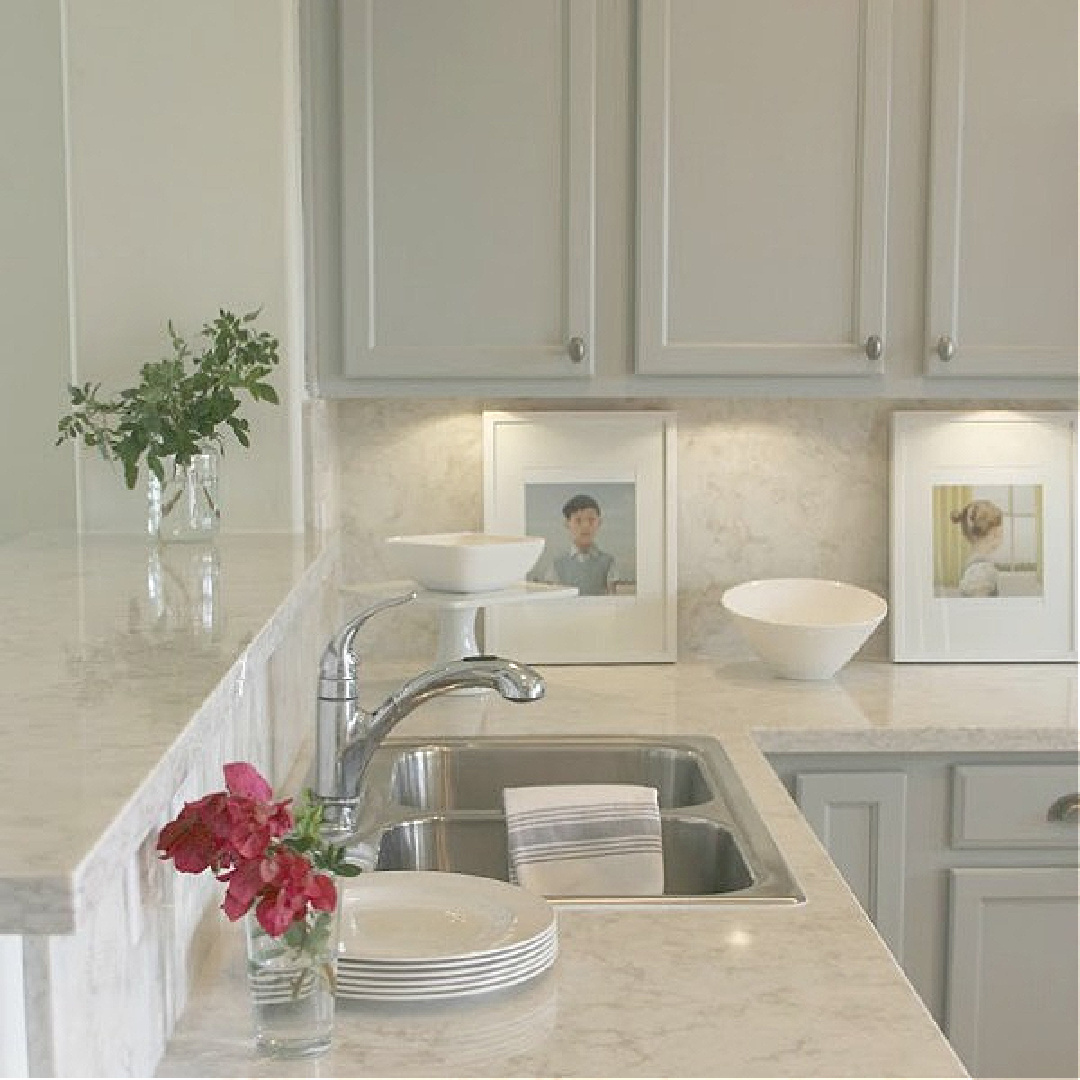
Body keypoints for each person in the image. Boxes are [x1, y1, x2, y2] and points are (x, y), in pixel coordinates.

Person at [541, 493, 620, 596]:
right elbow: (552, 600)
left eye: (591, 520)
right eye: (578, 520)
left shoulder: (608, 562)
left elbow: (613, 600)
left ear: (599, 522)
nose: (585, 526)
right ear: (567, 524)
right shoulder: (557, 564)